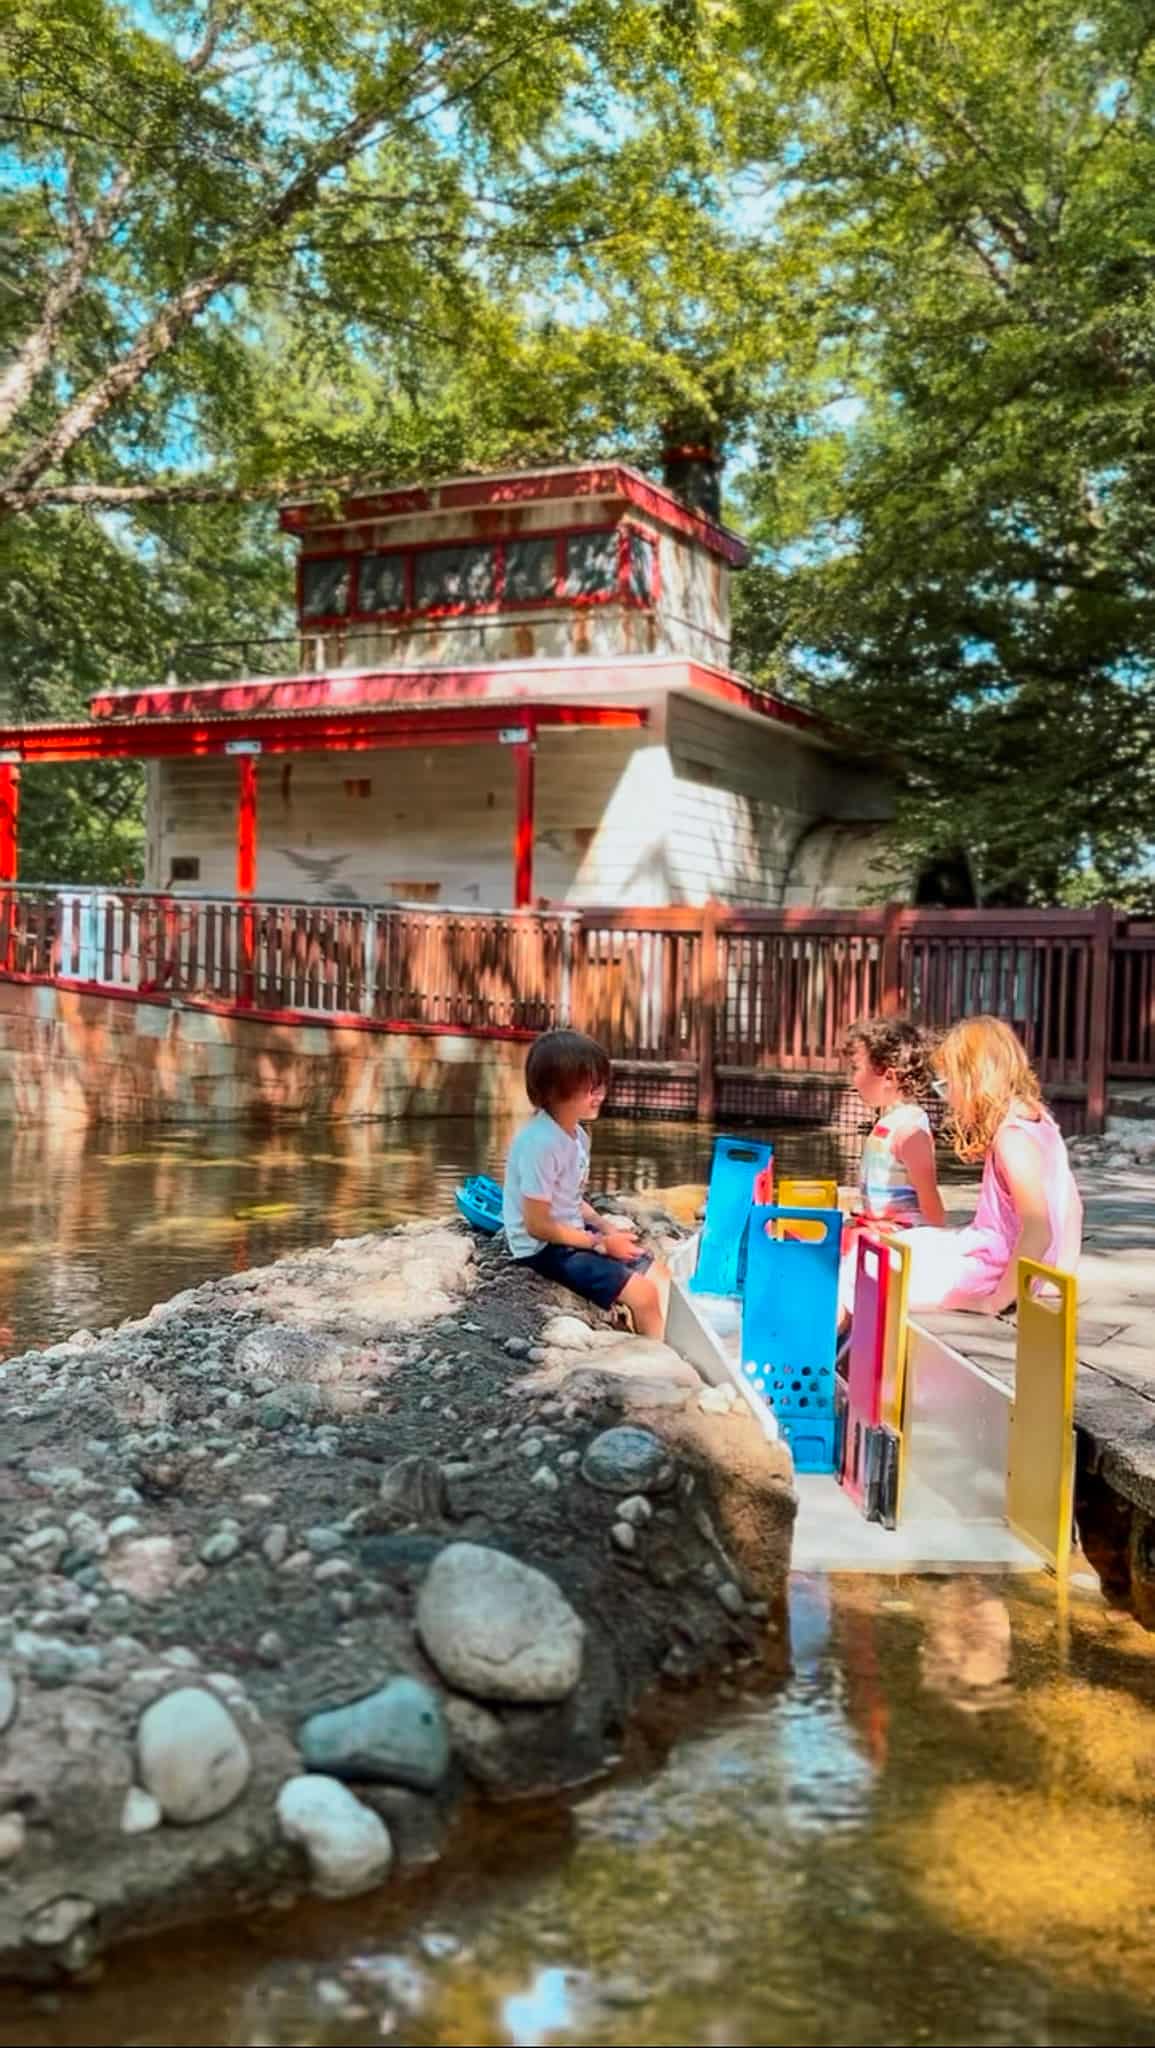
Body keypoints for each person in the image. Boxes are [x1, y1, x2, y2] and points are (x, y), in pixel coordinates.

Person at [903, 1015, 1082, 1315]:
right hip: (1015, 1265)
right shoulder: (1042, 1122)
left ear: (974, 1080)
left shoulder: (1011, 1139)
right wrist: (1059, 1275)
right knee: (902, 1243)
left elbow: (1038, 1230)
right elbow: (1072, 1206)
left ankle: (813, 1357)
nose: (948, 1099)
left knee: (874, 1273)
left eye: (947, 1085)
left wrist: (995, 1301)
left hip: (992, 1271)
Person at [503, 1028, 667, 1337]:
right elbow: (537, 1225)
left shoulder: (577, 1135)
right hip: (543, 1247)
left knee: (657, 1270)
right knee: (643, 1295)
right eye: (590, 1087)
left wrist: (605, 1227)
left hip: (571, 1232)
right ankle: (660, 1361)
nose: (600, 1095)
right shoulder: (539, 1142)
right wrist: (601, 1244)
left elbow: (570, 1196)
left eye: (601, 1085)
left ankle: (678, 1347)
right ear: (554, 1090)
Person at [846, 1016, 946, 1231]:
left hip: (903, 1241)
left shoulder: (909, 1130)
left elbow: (931, 1204)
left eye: (855, 1068)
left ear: (889, 1077)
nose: (852, 1079)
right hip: (881, 1233)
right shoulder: (889, 1121)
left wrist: (937, 1239)